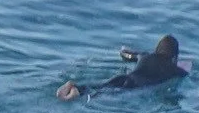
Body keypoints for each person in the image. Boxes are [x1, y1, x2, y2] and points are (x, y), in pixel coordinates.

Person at [57, 35, 187, 102]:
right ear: (174, 57)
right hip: (135, 85)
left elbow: (127, 55)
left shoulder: (145, 56)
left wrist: (124, 51)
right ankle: (73, 95)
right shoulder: (175, 70)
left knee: (102, 86)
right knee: (103, 95)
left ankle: (75, 87)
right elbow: (185, 73)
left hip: (125, 77)